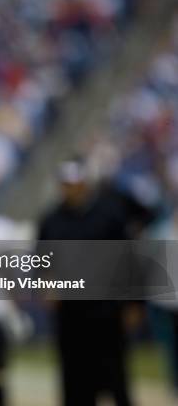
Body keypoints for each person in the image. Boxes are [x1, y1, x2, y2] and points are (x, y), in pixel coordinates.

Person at [38, 157, 153, 406]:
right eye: (65, 184)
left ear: (84, 184)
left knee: (116, 379)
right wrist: (47, 286)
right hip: (71, 316)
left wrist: (135, 303)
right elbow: (41, 263)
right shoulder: (51, 220)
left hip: (106, 313)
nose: (69, 189)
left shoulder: (109, 215)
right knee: (75, 382)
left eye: (74, 183)